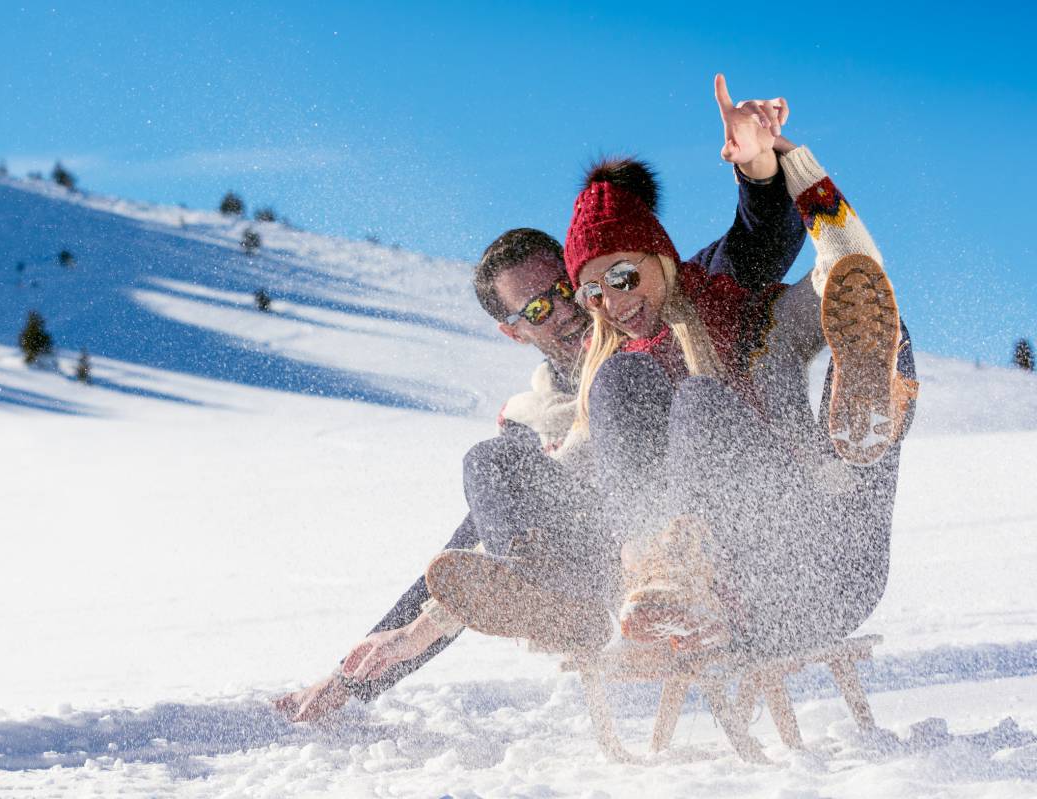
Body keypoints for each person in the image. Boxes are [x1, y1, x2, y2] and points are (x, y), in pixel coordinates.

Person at [274, 75, 806, 722]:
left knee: (625, 384)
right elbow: (472, 560)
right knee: (488, 465)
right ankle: (570, 611)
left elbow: (761, 240)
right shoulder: (534, 420)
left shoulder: (666, 299)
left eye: (564, 285)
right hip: (610, 572)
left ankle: (665, 585)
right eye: (535, 306)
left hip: (721, 543)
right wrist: (355, 675)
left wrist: (758, 165)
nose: (565, 308)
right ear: (514, 330)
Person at [431, 120, 918, 660]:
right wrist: (426, 624)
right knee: (495, 461)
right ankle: (568, 601)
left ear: (658, 255)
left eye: (621, 279)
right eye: (592, 292)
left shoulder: (741, 310)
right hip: (667, 607)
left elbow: (851, 272)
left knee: (701, 399)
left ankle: (869, 389)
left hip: (802, 571)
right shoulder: (612, 371)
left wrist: (790, 161)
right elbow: (568, 478)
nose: (610, 304)